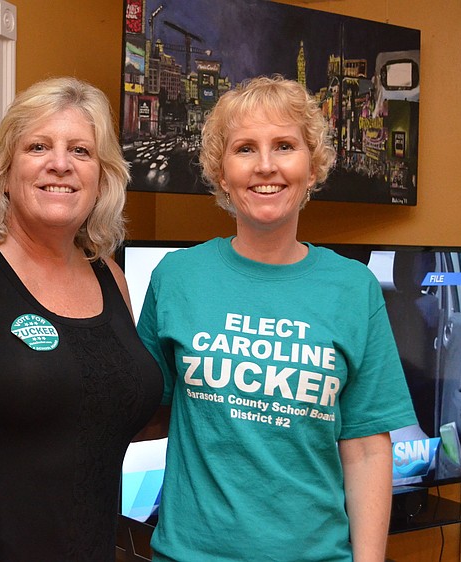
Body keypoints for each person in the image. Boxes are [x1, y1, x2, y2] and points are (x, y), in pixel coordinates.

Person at [136, 75, 417, 562]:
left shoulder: (353, 288)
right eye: (245, 149)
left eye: (284, 146)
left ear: (313, 167)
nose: (266, 166)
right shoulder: (176, 277)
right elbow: (140, 410)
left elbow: (369, 448)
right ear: (221, 173)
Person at [0, 76, 163, 561]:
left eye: (81, 151)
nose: (61, 164)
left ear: (103, 175)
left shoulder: (109, 276)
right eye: (38, 147)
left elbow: (99, 412)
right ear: (6, 169)